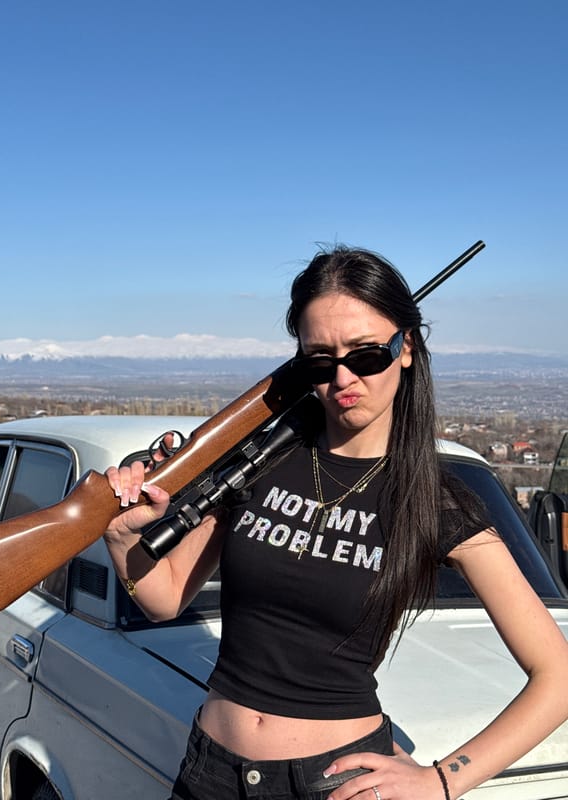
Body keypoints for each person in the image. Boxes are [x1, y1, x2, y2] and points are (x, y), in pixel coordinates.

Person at [102, 246, 568, 800]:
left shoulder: (435, 501)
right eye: (319, 360)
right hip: (209, 773)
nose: (343, 376)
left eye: (366, 354)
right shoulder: (258, 463)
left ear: (407, 349)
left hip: (335, 785)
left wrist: (441, 781)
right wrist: (123, 539)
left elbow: (558, 677)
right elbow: (165, 597)